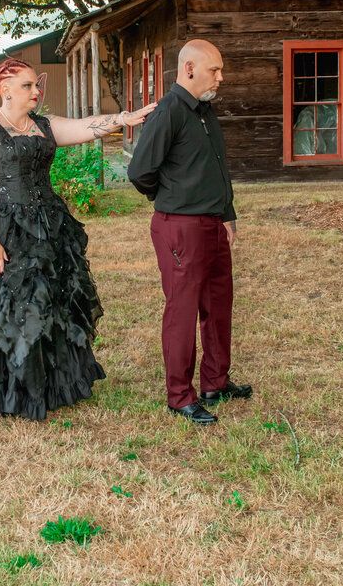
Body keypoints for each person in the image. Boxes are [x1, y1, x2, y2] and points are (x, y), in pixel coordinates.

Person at [0, 59, 156, 420]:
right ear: (4, 90)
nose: (36, 91)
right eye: (28, 86)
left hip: (46, 228)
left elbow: (85, 128)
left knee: (46, 304)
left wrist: (123, 119)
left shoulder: (44, 126)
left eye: (36, 85)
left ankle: (42, 384)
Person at [127, 39, 251, 425]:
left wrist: (227, 214)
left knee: (218, 305)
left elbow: (217, 166)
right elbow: (139, 171)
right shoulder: (169, 111)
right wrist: (173, 199)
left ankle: (215, 382)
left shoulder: (205, 111)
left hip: (214, 224)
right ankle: (180, 395)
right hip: (181, 227)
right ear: (190, 68)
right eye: (215, 69)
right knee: (182, 311)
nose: (221, 76)